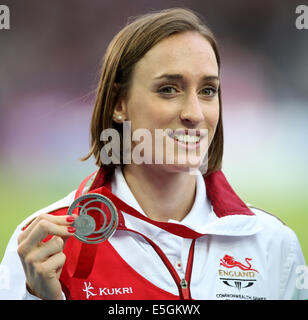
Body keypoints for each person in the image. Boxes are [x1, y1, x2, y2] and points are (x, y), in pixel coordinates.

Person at [1, 7, 307, 300]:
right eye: (169, 89)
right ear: (119, 104)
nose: (194, 113)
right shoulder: (43, 245)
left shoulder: (271, 243)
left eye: (208, 90)